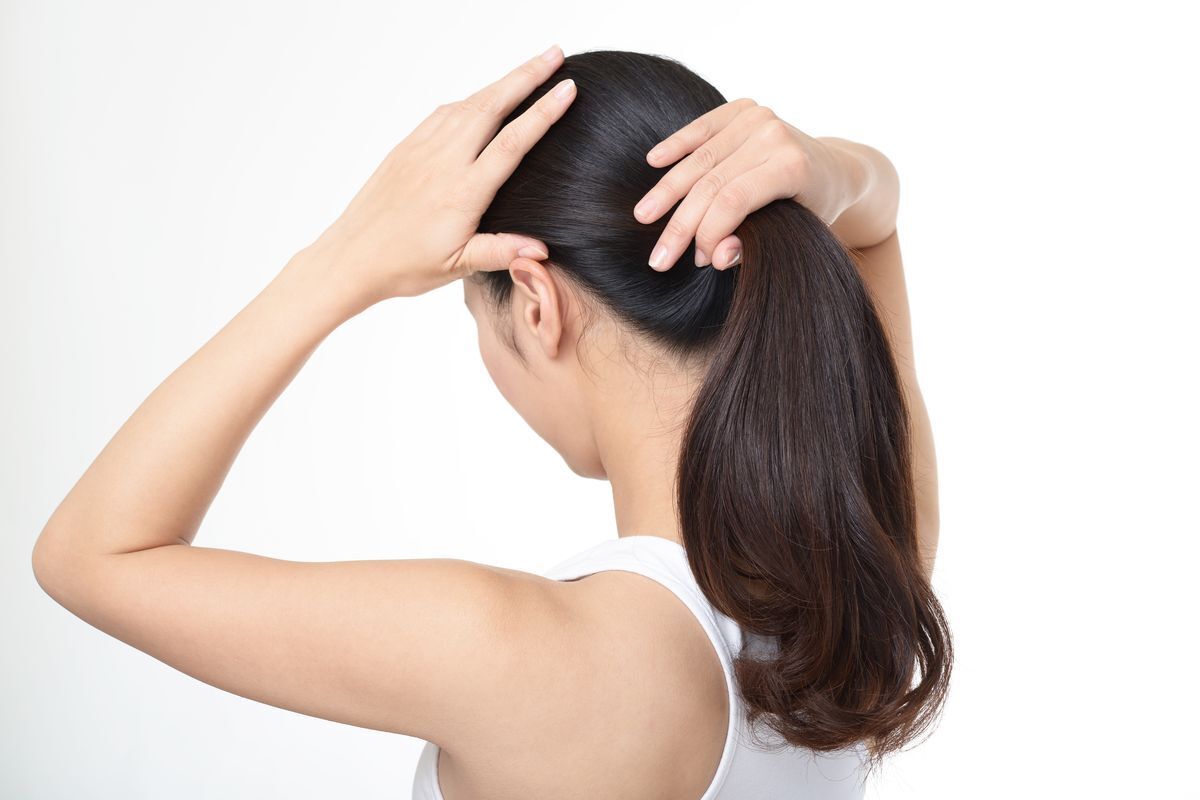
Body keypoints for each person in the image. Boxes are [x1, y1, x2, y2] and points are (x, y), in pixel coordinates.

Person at [32, 44, 951, 799]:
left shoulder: (522, 652)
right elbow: (874, 225)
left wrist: (342, 260)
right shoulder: (862, 583)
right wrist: (832, 170)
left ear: (537, 302)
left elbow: (92, 556)